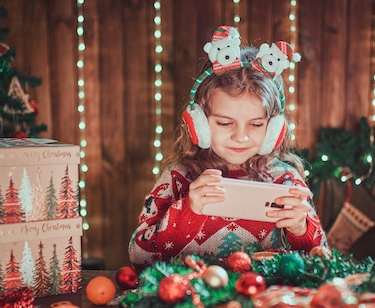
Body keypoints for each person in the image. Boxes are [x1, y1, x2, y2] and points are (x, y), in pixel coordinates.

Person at [129, 25, 327, 271]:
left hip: (262, 303)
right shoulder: (178, 178)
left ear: (274, 129)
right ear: (198, 122)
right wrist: (188, 210)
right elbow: (139, 256)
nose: (240, 136)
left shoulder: (285, 181)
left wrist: (300, 229)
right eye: (224, 123)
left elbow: (321, 263)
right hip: (193, 303)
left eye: (256, 124)